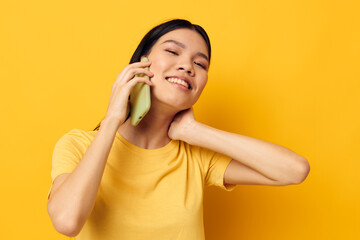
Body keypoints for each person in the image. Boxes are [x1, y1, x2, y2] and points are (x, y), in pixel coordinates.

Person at [47, 19, 310, 239]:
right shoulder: (78, 144)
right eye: (173, 52)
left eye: (200, 64)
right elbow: (67, 222)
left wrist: (195, 132)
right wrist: (112, 119)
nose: (187, 66)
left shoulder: (195, 155)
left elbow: (294, 170)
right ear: (141, 63)